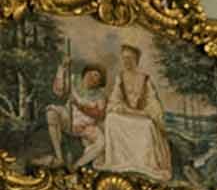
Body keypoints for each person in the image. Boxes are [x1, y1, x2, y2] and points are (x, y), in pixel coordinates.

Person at [101, 43, 173, 181]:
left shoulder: (145, 78)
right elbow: (115, 100)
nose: (127, 62)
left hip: (141, 116)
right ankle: (119, 160)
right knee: (111, 119)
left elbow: (152, 101)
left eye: (130, 58)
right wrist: (124, 109)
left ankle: (144, 163)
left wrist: (148, 113)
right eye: (124, 58)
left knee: (147, 126)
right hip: (126, 115)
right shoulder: (120, 78)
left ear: (136, 60)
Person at [45, 62, 107, 168]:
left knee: (102, 142)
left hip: (86, 126)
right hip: (68, 118)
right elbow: (59, 91)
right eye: (91, 74)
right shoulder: (74, 80)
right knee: (51, 114)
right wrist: (62, 69)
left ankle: (77, 165)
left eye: (97, 78)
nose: (92, 78)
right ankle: (59, 156)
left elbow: (100, 115)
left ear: (99, 83)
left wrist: (79, 105)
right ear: (86, 72)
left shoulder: (100, 95)